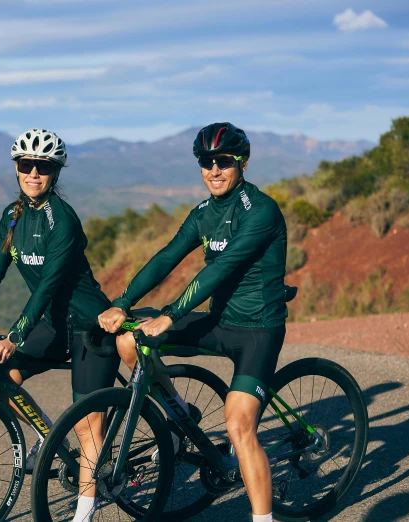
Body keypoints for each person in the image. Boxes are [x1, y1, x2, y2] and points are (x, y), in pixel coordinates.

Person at [98, 122, 287, 522]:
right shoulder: (202, 213)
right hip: (220, 321)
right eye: (205, 161)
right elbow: (167, 258)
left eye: (223, 161)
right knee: (131, 341)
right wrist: (122, 302)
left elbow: (219, 271)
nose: (214, 170)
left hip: (258, 329)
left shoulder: (262, 210)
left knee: (238, 425)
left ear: (243, 163)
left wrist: (170, 315)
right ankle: (180, 413)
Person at [0, 128, 119, 522]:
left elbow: (49, 284)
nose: (33, 173)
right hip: (51, 322)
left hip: (88, 326)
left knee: (88, 426)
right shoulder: (13, 216)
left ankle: (85, 512)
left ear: (55, 172)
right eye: (25, 165)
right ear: (16, 169)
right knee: (0, 380)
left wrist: (15, 334)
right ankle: (51, 440)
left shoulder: (61, 220)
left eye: (43, 167)